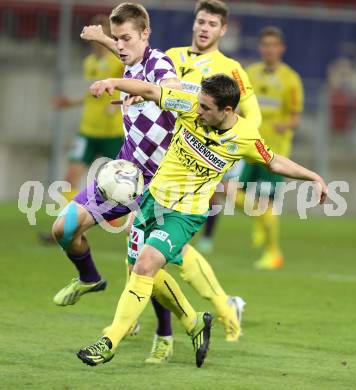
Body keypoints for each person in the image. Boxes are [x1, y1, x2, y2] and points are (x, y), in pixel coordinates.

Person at [76, 73, 327, 368]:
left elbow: (273, 160)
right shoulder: (188, 104)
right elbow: (148, 89)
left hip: (185, 215)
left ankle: (109, 343)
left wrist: (313, 176)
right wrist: (113, 82)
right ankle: (194, 322)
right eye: (199, 104)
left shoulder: (245, 136)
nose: (198, 111)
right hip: (151, 203)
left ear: (227, 111)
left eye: (206, 108)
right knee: (143, 274)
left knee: (145, 266)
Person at [52, 3, 242, 363]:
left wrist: (142, 87)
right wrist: (103, 38)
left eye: (127, 38)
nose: (121, 46)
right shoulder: (132, 58)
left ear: (146, 35)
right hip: (123, 175)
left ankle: (169, 332)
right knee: (63, 229)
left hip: (157, 186)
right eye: (118, 39)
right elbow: (129, 52)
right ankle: (91, 278)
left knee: (146, 267)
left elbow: (169, 84)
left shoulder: (159, 65)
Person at [169, 0, 262, 255]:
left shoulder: (232, 69)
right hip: (164, 151)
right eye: (201, 22)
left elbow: (254, 115)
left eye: (212, 24)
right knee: (154, 239)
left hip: (199, 154)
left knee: (166, 240)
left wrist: (232, 144)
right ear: (194, 23)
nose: (204, 28)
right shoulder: (171, 57)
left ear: (223, 30)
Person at [39, 14, 124, 244]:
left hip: (113, 132)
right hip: (87, 130)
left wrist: (117, 107)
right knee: (70, 177)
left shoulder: (118, 61)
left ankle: (128, 224)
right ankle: (67, 225)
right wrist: (71, 102)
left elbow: (132, 82)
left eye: (103, 34)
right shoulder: (90, 63)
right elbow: (92, 94)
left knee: (121, 182)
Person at [240, 27, 304, 269]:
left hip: (274, 153)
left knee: (266, 202)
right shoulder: (250, 74)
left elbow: (295, 118)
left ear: (281, 49)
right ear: (260, 48)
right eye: (265, 45)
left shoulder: (291, 79)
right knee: (230, 191)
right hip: (248, 147)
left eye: (273, 45)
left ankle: (273, 253)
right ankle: (261, 218)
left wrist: (283, 125)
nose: (269, 49)